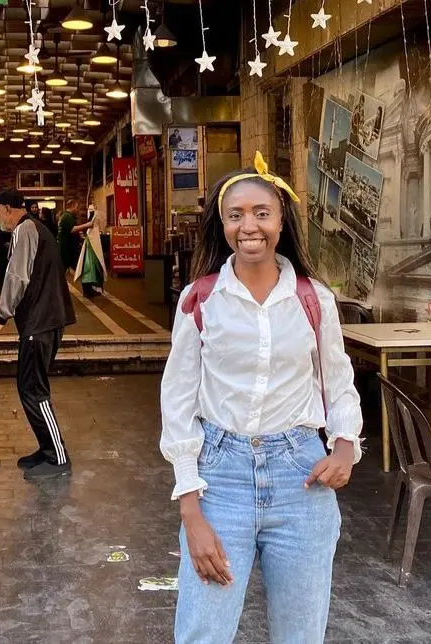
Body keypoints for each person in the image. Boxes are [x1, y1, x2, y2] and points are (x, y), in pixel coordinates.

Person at [159, 153, 362, 643]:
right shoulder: (199, 299)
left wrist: (345, 445)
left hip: (302, 481)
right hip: (220, 478)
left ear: (281, 220)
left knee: (301, 634)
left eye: (262, 213)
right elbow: (178, 401)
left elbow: (339, 384)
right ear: (222, 224)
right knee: (202, 632)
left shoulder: (315, 299)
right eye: (236, 215)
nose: (249, 226)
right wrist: (191, 511)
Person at [0, 188, 76, 479]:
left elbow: (16, 276)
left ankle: (58, 457)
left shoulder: (26, 230)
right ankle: (47, 449)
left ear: (9, 209)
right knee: (28, 387)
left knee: (34, 389)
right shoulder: (32, 228)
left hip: (41, 320)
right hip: (42, 320)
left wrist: (0, 317)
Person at [74, 205, 106, 297]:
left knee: (91, 269)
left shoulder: (93, 221)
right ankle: (88, 290)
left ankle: (90, 289)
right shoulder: (92, 222)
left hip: (92, 247)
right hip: (90, 248)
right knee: (89, 269)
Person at [57, 199, 94, 273]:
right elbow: (72, 229)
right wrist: (88, 225)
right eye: (77, 207)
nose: (78, 210)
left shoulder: (64, 216)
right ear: (72, 206)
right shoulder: (67, 216)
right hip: (67, 248)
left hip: (64, 247)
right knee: (69, 270)